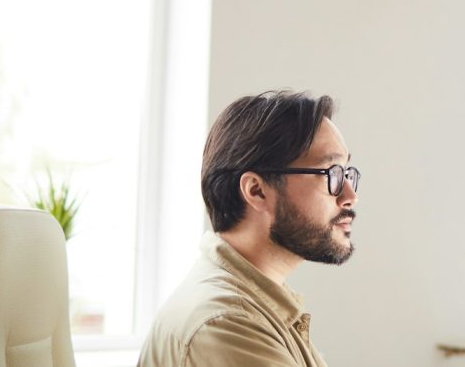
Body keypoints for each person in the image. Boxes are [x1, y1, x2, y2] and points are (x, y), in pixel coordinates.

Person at [139, 89, 360, 367]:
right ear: (256, 191)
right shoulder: (229, 323)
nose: (350, 194)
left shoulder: (255, 303)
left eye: (348, 173)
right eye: (332, 172)